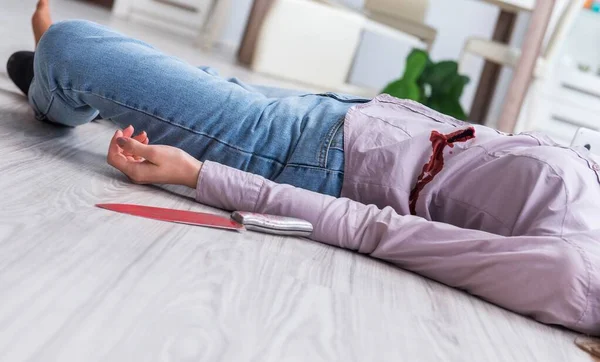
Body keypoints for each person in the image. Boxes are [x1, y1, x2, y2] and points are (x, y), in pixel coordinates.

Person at [8, 0, 599, 335]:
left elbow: (376, 231)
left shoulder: (572, 276)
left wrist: (200, 178)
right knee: (169, 80)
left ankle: (53, 93)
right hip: (355, 116)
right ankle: (60, 85)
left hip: (306, 157)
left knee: (71, 48)